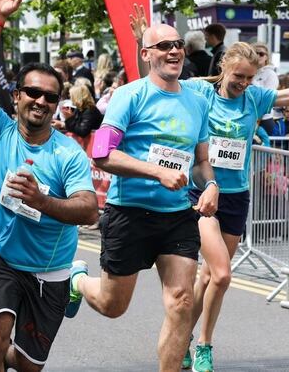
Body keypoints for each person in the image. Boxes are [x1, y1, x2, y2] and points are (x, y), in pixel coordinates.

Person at [113, 9, 289, 372]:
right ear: (225, 68)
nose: (243, 83)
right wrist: (141, 44)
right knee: (223, 273)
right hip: (201, 193)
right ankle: (205, 345)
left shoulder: (255, 98)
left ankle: (183, 336)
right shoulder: (199, 91)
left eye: (250, 78)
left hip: (236, 195)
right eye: (239, 76)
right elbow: (155, 83)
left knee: (210, 277)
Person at [68, 22, 218, 372]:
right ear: (146, 54)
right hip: (129, 212)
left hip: (177, 215)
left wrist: (211, 185)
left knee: (182, 301)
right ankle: (77, 279)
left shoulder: (196, 103)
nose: (174, 51)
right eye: (163, 45)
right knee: (112, 305)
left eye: (178, 44)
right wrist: (158, 172)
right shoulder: (128, 96)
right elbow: (102, 154)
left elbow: (201, 162)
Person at [0, 0, 98, 371]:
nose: (41, 101)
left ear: (57, 103)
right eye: (33, 93)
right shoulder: (0, 133)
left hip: (50, 271)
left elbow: (89, 209)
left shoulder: (68, 154)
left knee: (27, 366)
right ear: (17, 97)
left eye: (50, 96)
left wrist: (40, 200)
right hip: (2, 259)